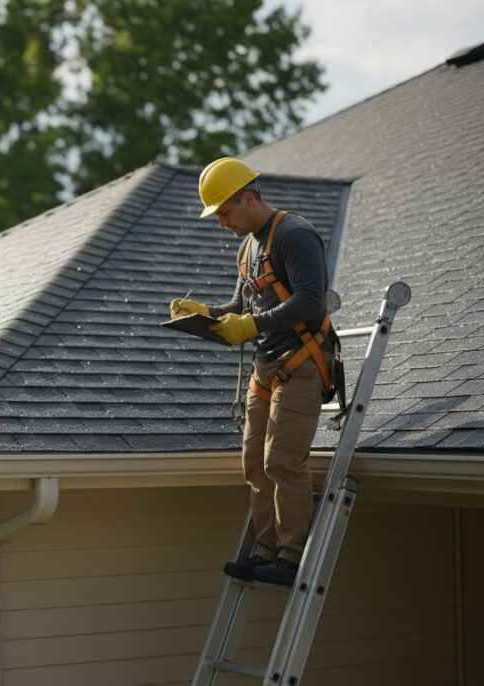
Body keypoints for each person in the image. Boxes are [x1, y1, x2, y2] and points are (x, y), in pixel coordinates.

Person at [170, 157, 335, 586]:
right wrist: (205, 314)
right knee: (254, 465)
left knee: (283, 462)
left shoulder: (294, 235)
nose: (222, 222)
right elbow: (240, 308)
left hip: (300, 364)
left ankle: (291, 556)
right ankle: (264, 551)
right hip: (266, 366)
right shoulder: (249, 248)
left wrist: (252, 326)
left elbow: (310, 301)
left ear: (248, 197)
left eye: (224, 212)